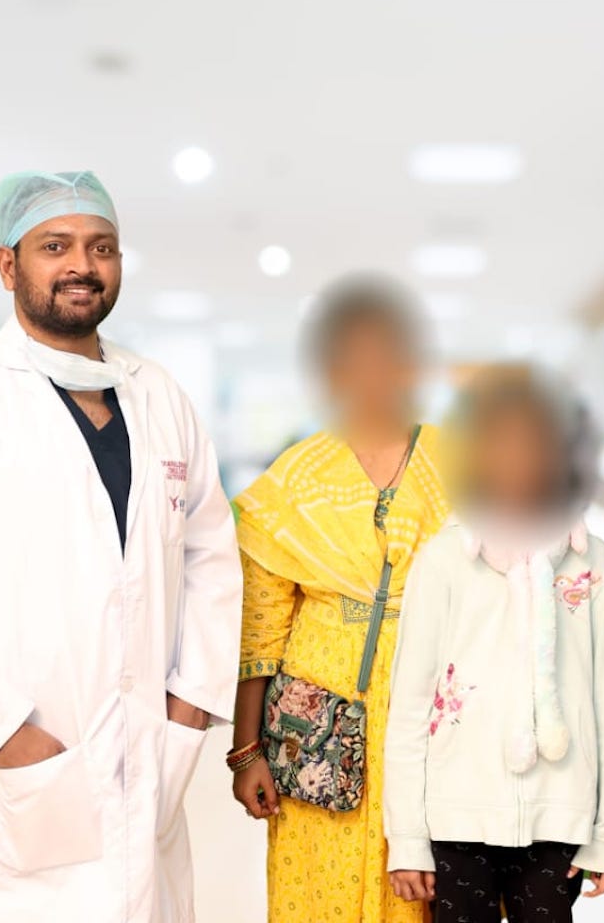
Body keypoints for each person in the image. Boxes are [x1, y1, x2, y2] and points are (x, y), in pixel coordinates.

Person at [0, 171, 242, 922]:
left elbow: (209, 552)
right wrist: (2, 730)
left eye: (101, 247)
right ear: (8, 266)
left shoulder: (159, 396)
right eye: (55, 246)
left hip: (148, 748)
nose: (82, 265)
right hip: (22, 759)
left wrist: (193, 700)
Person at [228, 276, 451, 923]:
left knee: (430, 890)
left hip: (440, 719)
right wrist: (246, 751)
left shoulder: (463, 463)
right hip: (318, 731)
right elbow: (261, 628)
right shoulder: (296, 478)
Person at [384, 367, 604, 922]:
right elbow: (411, 706)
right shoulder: (444, 561)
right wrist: (407, 838)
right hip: (457, 815)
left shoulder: (591, 561)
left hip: (560, 816)